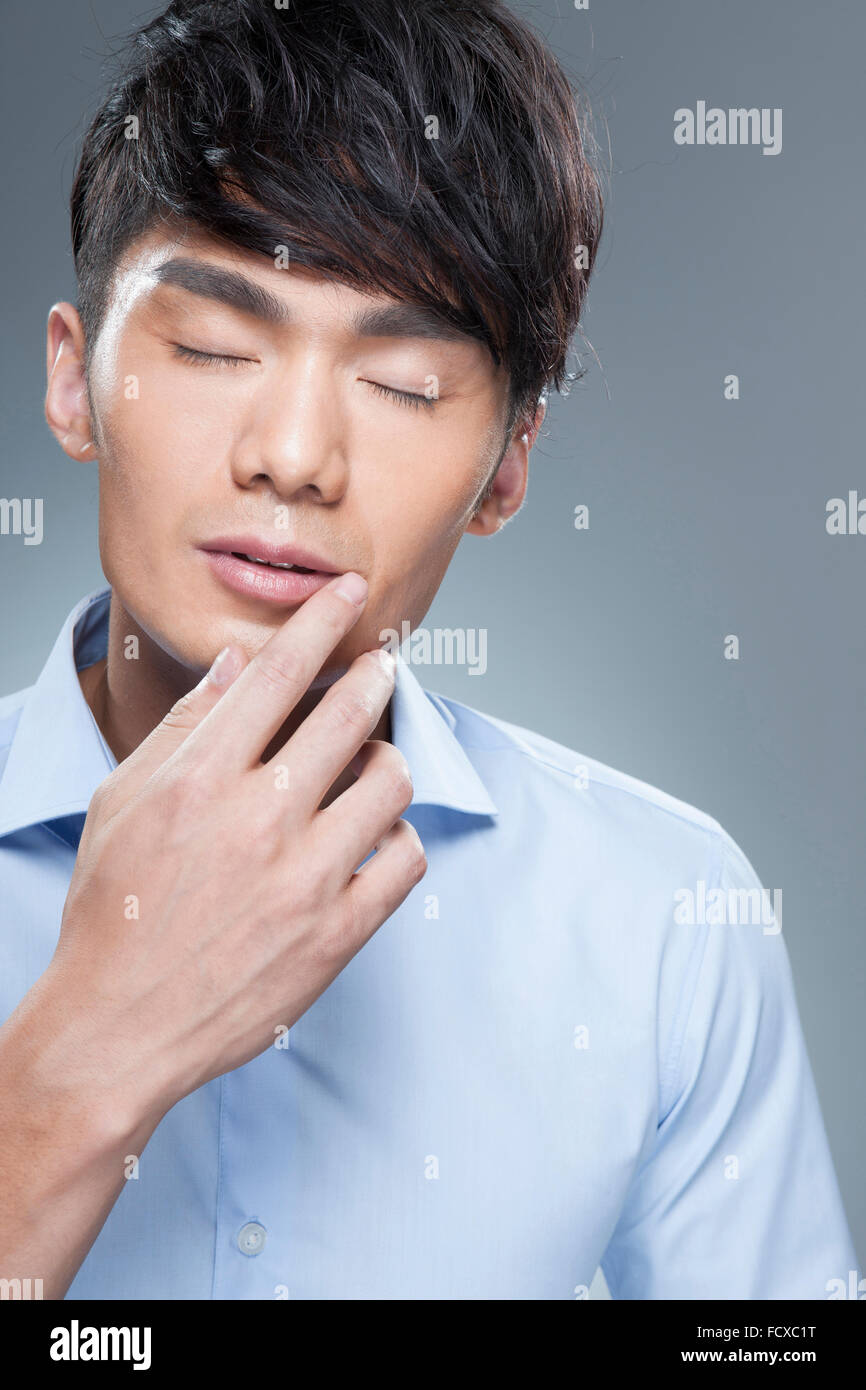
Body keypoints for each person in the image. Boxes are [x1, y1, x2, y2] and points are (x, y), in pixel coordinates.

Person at [0, 0, 858, 1300]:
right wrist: (76, 1071)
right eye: (214, 345)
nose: (292, 454)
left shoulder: (665, 915)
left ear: (508, 466)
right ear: (74, 382)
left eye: (402, 384)